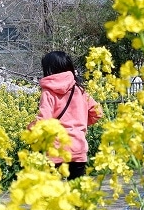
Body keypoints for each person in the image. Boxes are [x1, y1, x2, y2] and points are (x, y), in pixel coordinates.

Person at [34, 51, 101, 179]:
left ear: (48, 69)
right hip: (78, 147)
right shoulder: (80, 90)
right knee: (76, 193)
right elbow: (97, 112)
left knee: (53, 194)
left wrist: (30, 129)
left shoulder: (48, 92)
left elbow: (44, 121)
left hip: (56, 149)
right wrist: (80, 124)